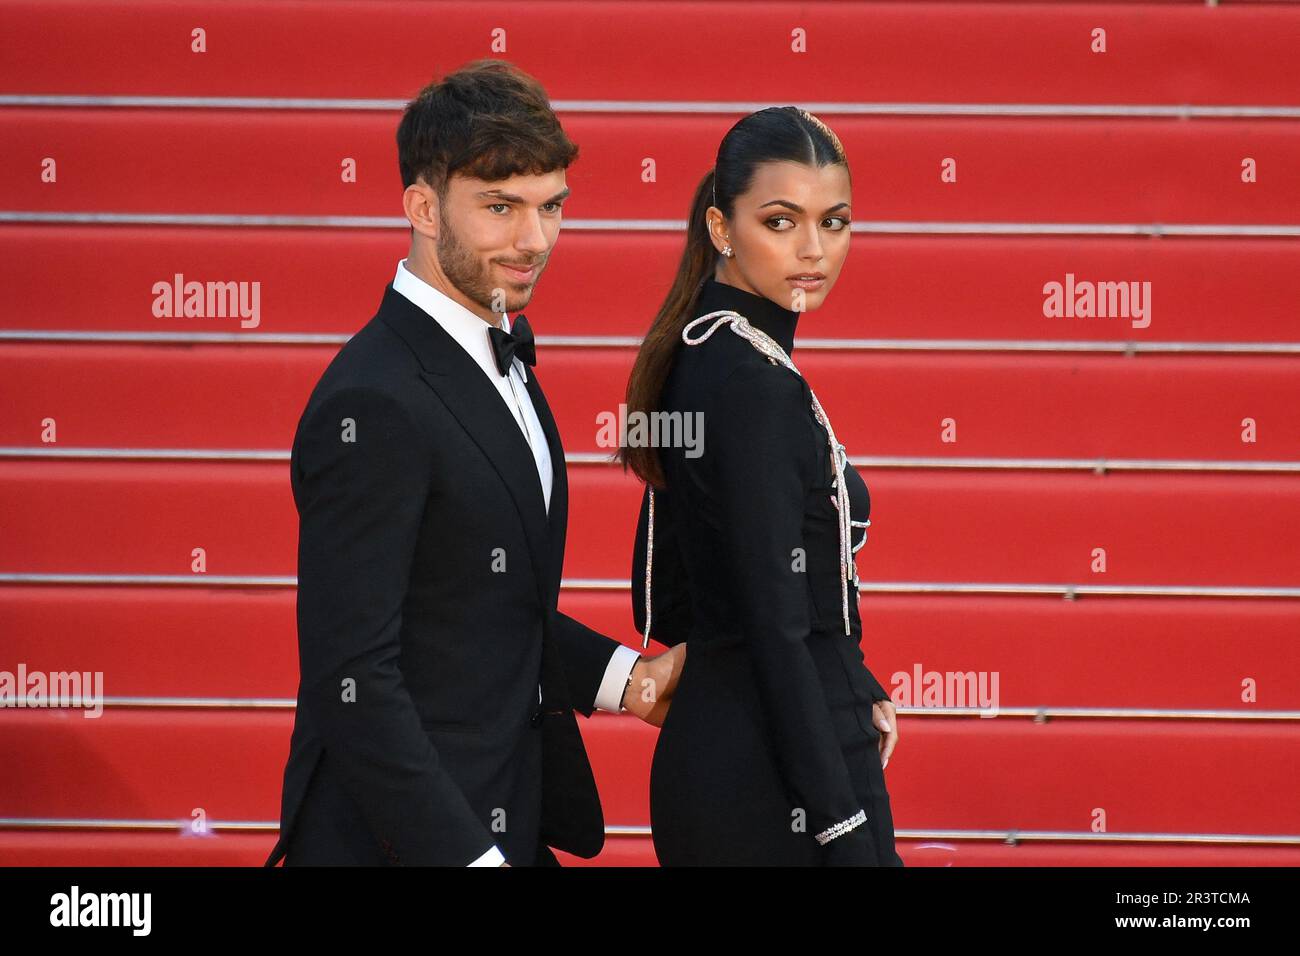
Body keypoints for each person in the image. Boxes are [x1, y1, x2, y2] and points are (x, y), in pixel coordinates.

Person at [265, 59, 684, 868]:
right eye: (500, 207)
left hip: (506, 814)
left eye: (551, 206)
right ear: (422, 207)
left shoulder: (499, 357)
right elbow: (353, 682)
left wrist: (627, 679)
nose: (534, 240)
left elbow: (474, 603)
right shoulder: (374, 401)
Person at [619, 107, 903, 866]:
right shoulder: (750, 383)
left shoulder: (698, 352)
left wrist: (851, 680)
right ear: (720, 227)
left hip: (732, 756)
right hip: (777, 787)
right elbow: (775, 630)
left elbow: (667, 596)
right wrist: (840, 824)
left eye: (834, 222)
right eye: (781, 222)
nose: (815, 250)